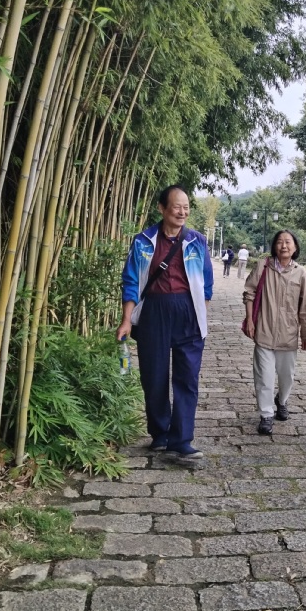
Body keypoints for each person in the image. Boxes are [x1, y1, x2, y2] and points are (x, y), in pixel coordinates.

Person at [116, 184, 213, 462]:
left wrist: (201, 316)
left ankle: (181, 440)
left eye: (186, 207)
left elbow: (206, 284)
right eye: (176, 207)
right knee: (154, 376)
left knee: (188, 378)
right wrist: (126, 320)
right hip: (153, 312)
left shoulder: (197, 241)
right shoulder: (143, 241)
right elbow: (131, 282)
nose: (182, 212)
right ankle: (160, 433)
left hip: (188, 312)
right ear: (162, 208)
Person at [243, 230, 306, 435]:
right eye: (280, 242)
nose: (284, 246)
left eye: (288, 242)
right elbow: (249, 293)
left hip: (289, 334)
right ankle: (266, 415)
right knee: (264, 377)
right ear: (274, 246)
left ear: (295, 247)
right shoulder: (263, 266)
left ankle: (282, 400)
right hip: (264, 331)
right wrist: (250, 320)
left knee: (286, 377)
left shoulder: (301, 273)